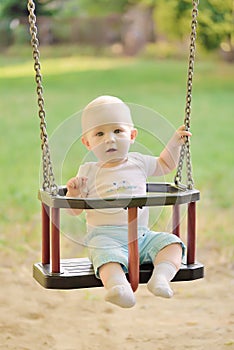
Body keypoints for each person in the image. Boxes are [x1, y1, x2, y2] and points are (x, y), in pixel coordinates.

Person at [66, 95, 191, 308]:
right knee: (106, 259)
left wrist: (174, 144)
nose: (110, 139)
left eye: (117, 131)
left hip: (142, 236)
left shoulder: (139, 162)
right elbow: (74, 211)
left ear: (132, 135)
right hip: (105, 237)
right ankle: (119, 288)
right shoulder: (88, 171)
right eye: (99, 133)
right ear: (87, 143)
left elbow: (165, 165)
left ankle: (161, 278)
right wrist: (74, 192)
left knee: (172, 244)